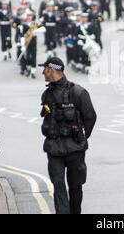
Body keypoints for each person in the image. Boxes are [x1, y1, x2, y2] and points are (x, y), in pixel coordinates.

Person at [39, 57, 97, 214]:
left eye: (44, 69)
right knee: (58, 186)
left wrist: (81, 137)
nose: (42, 72)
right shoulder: (46, 95)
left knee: (75, 188)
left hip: (75, 150)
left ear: (51, 69)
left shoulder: (78, 92)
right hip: (54, 149)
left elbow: (90, 117)